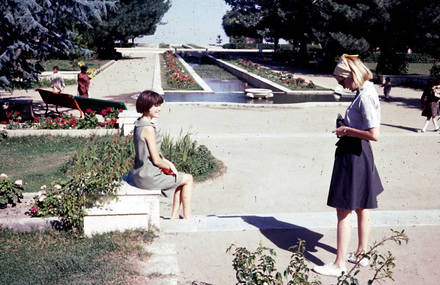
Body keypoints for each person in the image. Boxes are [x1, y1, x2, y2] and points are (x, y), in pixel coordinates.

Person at [313, 54, 384, 277]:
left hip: (353, 153)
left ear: (351, 76)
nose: (341, 85)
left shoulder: (363, 97)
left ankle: (339, 264)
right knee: (362, 206)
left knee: (343, 209)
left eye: (341, 81)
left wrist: (346, 130)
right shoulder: (367, 91)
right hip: (361, 154)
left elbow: (374, 134)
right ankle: (361, 254)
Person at [133, 90, 194, 219]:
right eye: (155, 105)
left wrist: (170, 168)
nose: (159, 109)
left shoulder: (139, 124)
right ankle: (188, 217)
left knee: (180, 178)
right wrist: (171, 165)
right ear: (145, 105)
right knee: (188, 179)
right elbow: (156, 160)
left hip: (140, 174)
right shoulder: (148, 129)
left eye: (159, 105)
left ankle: (175, 215)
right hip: (148, 176)